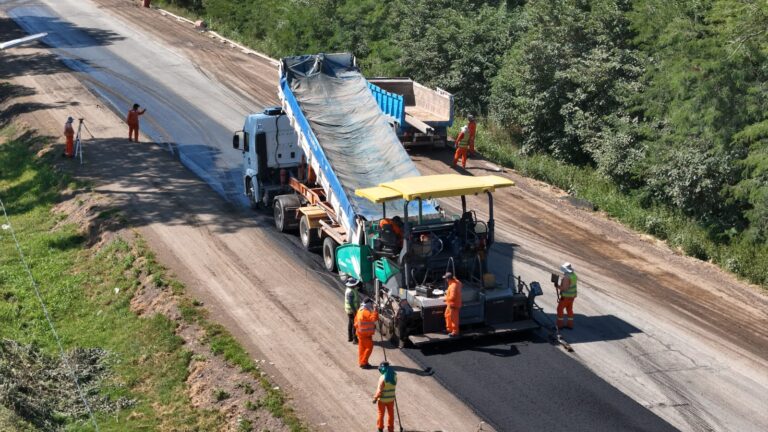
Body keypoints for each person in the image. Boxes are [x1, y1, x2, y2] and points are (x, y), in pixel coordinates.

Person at [372, 361, 397, 432]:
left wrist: (375, 398)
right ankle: (391, 429)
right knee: (391, 414)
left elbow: (380, 391)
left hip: (382, 400)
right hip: (391, 399)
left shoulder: (382, 378)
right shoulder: (394, 376)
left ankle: (380, 428)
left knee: (381, 414)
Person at [354, 297, 378, 368]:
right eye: (371, 304)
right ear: (368, 304)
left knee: (362, 349)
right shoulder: (366, 312)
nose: (371, 305)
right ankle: (364, 363)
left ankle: (361, 362)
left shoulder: (360, 310)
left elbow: (355, 321)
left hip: (360, 333)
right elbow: (374, 318)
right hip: (365, 334)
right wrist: (375, 311)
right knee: (369, 348)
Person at [556, 262, 578, 329]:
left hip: (565, 296)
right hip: (572, 296)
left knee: (560, 309)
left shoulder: (566, 277)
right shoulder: (573, 275)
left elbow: (565, 288)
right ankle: (570, 325)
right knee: (569, 309)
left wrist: (557, 286)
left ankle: (559, 325)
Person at [443, 272, 462, 337]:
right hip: (450, 304)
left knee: (454, 319)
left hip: (453, 305)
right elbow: (459, 284)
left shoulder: (453, 286)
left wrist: (446, 299)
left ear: (448, 279)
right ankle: (449, 329)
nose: (445, 280)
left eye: (446, 278)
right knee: (447, 315)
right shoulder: (456, 282)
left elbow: (453, 297)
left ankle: (455, 332)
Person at [344, 278, 361, 344]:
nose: (355, 285)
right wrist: (355, 311)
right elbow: (351, 303)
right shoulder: (350, 292)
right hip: (351, 310)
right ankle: (355, 339)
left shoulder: (350, 289)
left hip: (349, 310)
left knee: (350, 323)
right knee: (354, 324)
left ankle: (350, 337)